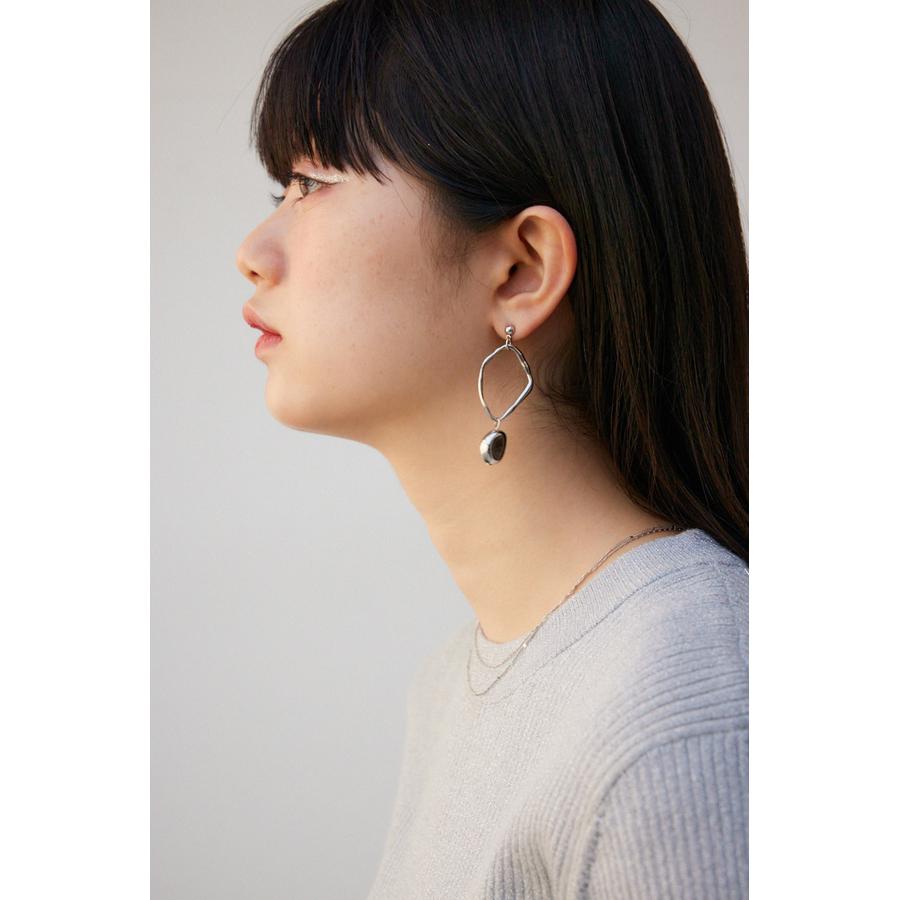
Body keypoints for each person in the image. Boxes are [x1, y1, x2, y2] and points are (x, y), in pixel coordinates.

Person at [235, 0, 748, 896]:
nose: (253, 251)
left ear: (521, 271)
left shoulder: (683, 709)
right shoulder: (453, 689)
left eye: (313, 182)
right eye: (279, 192)